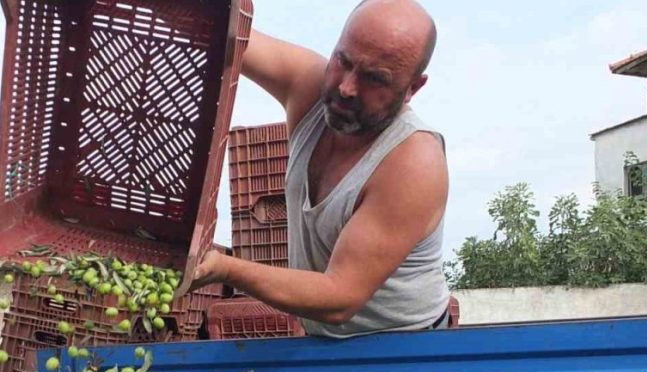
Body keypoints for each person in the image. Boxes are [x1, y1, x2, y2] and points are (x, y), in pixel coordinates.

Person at [192, 0, 452, 337]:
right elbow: (230, 36)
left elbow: (339, 297)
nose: (346, 87)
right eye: (343, 60)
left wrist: (225, 268)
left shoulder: (413, 161)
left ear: (413, 88)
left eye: (375, 78)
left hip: (404, 348)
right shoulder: (308, 87)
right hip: (324, 339)